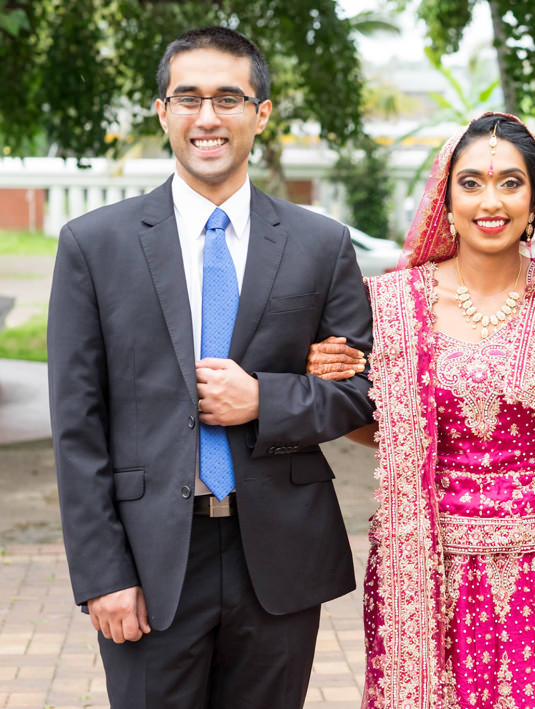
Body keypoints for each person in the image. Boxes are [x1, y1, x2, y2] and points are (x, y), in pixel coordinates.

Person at [47, 26, 373, 708]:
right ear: (161, 111)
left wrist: (266, 399)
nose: (208, 117)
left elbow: (360, 394)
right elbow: (77, 425)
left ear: (262, 112)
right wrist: (103, 572)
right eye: (187, 97)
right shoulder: (93, 246)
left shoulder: (321, 244)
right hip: (149, 558)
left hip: (279, 558)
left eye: (229, 98)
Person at [307, 113, 535, 707]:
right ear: (446, 195)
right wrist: (332, 379)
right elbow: (383, 427)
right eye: (472, 183)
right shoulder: (390, 302)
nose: (492, 201)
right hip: (423, 564)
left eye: (512, 183)